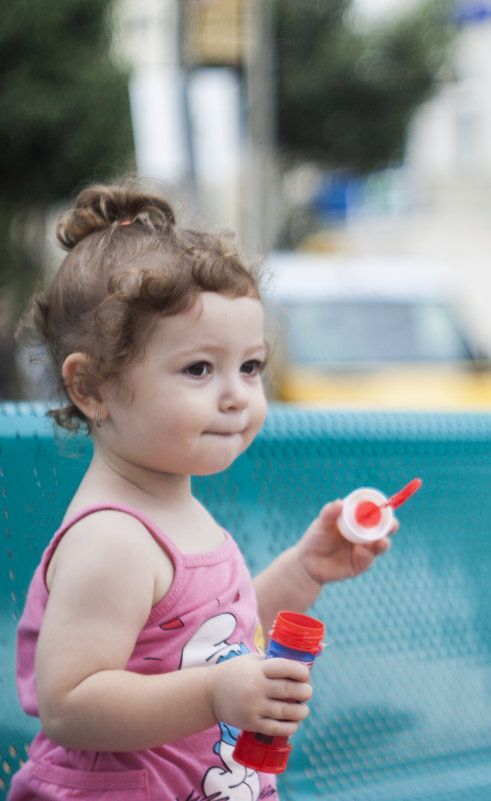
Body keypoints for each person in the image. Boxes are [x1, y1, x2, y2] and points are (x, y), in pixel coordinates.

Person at [9, 182, 393, 801]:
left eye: (250, 366)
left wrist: (304, 569)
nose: (237, 394)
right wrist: (216, 695)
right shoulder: (112, 540)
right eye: (198, 369)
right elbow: (70, 703)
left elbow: (214, 637)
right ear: (92, 389)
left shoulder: (172, 505)